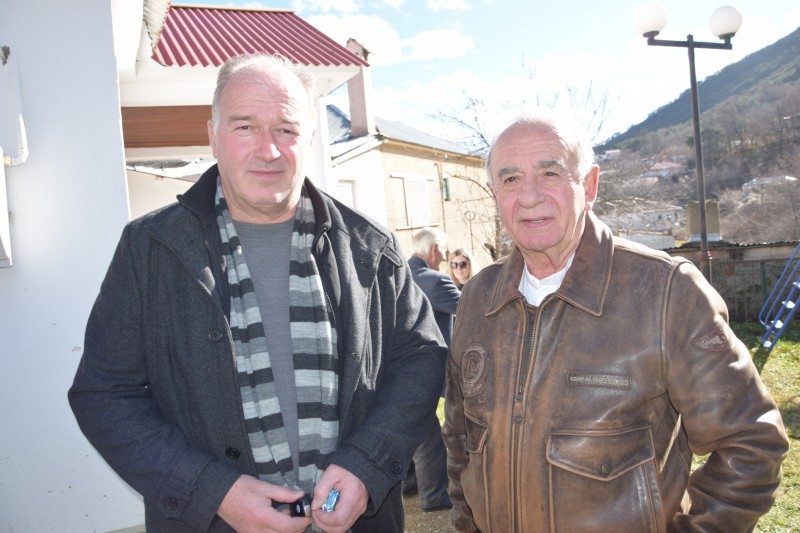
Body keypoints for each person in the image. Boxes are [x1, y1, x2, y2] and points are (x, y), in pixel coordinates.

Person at [68, 52, 448, 533]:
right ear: (213, 135)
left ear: (310, 138)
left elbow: (421, 359)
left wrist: (365, 465)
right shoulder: (150, 249)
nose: (268, 150)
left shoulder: (369, 247)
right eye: (245, 126)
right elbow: (104, 394)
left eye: (286, 129)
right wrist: (213, 492)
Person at [442, 111, 789, 532]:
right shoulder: (478, 297)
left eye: (550, 173)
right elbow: (460, 440)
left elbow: (752, 442)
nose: (529, 196)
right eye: (511, 179)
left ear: (589, 186)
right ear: (494, 193)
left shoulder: (665, 291)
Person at [403, 227, 461, 512]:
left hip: (396, 367)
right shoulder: (435, 281)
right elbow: (473, 310)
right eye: (445, 251)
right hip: (425, 367)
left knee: (408, 429)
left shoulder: (397, 274)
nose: (446, 258)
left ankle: (409, 484)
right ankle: (434, 497)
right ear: (434, 249)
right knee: (428, 437)